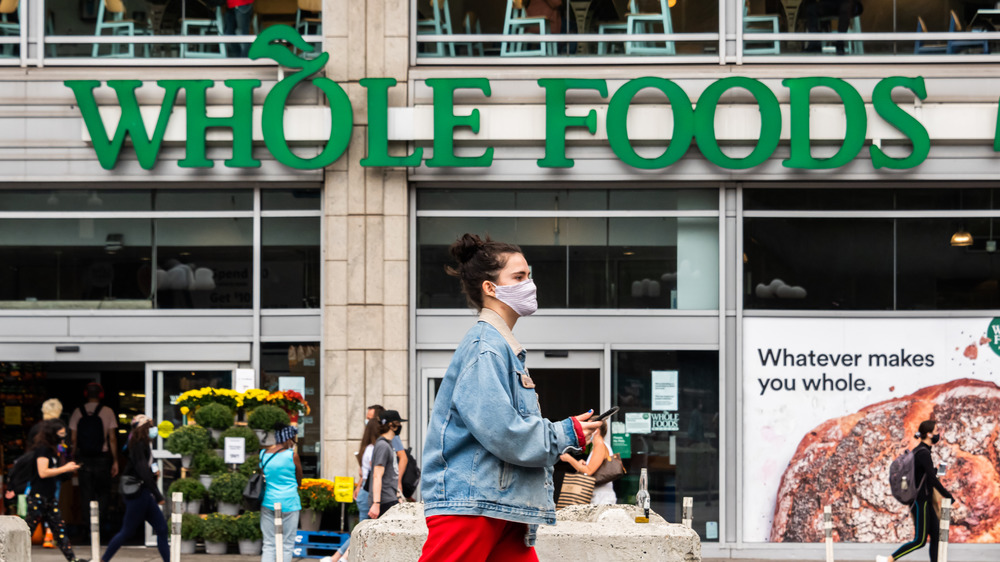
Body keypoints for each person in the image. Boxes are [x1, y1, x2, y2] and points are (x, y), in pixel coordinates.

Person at [418, 233, 601, 562]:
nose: (529, 284)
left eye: (528, 275)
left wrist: (567, 432)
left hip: (498, 504)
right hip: (474, 505)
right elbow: (503, 431)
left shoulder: (499, 346)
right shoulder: (485, 346)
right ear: (490, 288)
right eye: (518, 277)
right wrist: (565, 432)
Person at [876, 420, 956, 562]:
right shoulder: (923, 453)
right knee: (920, 541)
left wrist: (934, 471)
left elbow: (923, 475)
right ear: (929, 434)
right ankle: (889, 559)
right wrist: (947, 495)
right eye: (936, 431)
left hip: (925, 500)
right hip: (922, 501)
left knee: (936, 536)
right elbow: (931, 479)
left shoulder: (920, 451)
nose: (938, 434)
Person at [102, 415, 169, 562]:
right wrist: (158, 495)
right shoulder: (138, 444)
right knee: (127, 531)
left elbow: (150, 463)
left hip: (144, 493)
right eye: (150, 425)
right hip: (138, 493)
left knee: (162, 529)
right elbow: (143, 471)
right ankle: (104, 559)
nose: (153, 428)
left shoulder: (145, 443)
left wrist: (155, 470)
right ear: (143, 428)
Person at [24, 419, 86, 562]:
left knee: (60, 530)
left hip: (49, 496)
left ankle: (72, 559)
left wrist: (67, 467)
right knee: (29, 530)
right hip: (38, 496)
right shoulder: (43, 449)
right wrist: (65, 468)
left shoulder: (54, 450)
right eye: (60, 435)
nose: (63, 438)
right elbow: (43, 472)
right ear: (52, 435)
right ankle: (11, 556)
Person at [328, 418, 382, 562]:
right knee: (361, 531)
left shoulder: (366, 448)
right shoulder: (374, 449)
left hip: (364, 490)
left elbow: (362, 473)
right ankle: (342, 558)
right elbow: (374, 473)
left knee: (360, 529)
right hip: (369, 492)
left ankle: (338, 557)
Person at [69, 382, 119, 537]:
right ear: (101, 395)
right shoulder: (108, 411)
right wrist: (115, 460)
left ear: (86, 394)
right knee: (103, 493)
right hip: (102, 459)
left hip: (84, 459)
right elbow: (112, 438)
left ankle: (88, 527)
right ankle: (100, 524)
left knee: (86, 494)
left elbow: (74, 439)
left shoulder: (78, 412)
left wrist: (71, 459)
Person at [260, 423, 303, 562]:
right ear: (288, 438)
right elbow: (299, 480)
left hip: (268, 501)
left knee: (268, 543)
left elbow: (264, 476)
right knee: (287, 544)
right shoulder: (292, 456)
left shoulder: (263, 454)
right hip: (290, 501)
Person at [559, 420, 617, 505]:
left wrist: (569, 459)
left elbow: (589, 471)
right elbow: (592, 468)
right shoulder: (599, 446)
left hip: (601, 498)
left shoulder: (600, 446)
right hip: (599, 496)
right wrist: (580, 464)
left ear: (596, 430)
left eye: (588, 427)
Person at [368, 410, 406, 520]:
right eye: (398, 423)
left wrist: (398, 496)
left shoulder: (388, 444)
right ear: (391, 425)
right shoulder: (383, 446)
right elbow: (377, 475)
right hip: (384, 501)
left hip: (389, 498)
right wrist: (376, 503)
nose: (400, 426)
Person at [366, 404, 408, 490]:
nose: (368, 421)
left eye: (370, 419)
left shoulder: (391, 436)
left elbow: (403, 457)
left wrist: (398, 482)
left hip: (384, 486)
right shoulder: (378, 436)